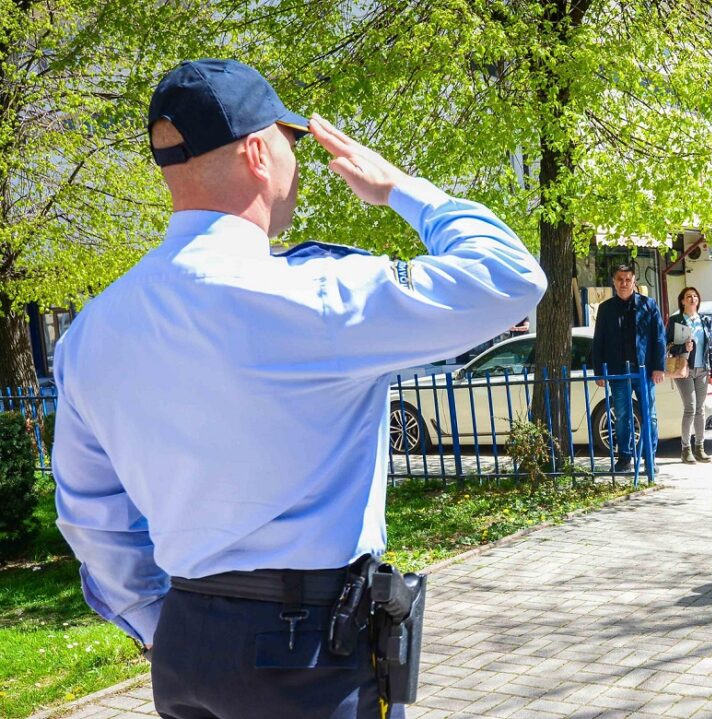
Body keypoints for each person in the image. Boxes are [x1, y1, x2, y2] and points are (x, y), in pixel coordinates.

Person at [51, 59, 546, 719]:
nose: (298, 162)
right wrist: (403, 189)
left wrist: (157, 620)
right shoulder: (318, 297)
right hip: (306, 652)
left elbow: (91, 515)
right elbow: (511, 278)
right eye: (291, 141)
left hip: (188, 648)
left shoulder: (92, 330)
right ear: (258, 153)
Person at [591, 263, 666, 473]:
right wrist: (599, 372)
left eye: (627, 279)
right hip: (618, 372)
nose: (624, 283)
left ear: (634, 281)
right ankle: (624, 458)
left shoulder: (648, 305)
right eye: (620, 279)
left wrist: (659, 367)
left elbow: (659, 338)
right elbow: (598, 342)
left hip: (644, 371)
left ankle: (649, 458)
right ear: (614, 282)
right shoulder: (605, 308)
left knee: (649, 415)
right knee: (622, 416)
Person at [667, 286, 712, 464]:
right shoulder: (676, 320)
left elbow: (711, 346)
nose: (692, 298)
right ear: (682, 301)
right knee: (690, 408)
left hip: (702, 369)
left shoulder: (704, 320)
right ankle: (685, 449)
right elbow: (667, 345)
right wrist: (683, 347)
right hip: (684, 368)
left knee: (700, 409)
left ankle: (700, 448)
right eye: (688, 296)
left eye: (695, 296)